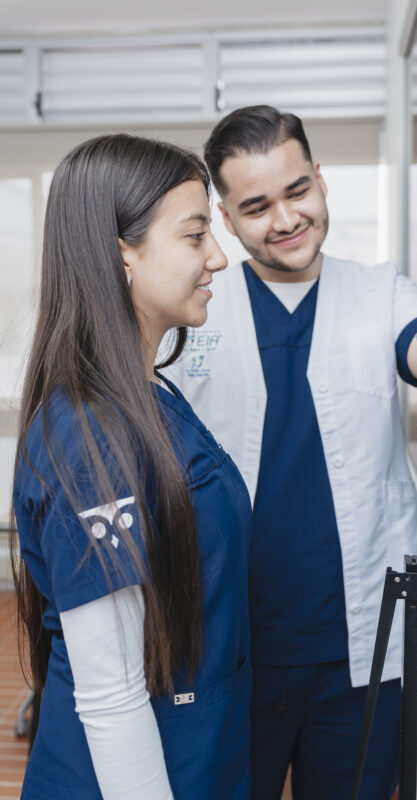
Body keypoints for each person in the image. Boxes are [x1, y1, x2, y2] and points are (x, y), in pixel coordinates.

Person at [162, 105, 417, 800]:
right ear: (226, 220)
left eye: (296, 191)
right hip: (233, 649)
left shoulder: (379, 293)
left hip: (362, 653)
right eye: (255, 206)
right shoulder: (195, 309)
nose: (285, 218)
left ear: (320, 180)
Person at [11, 134, 252, 800]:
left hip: (200, 750)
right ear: (123, 257)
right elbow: (112, 695)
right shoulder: (88, 437)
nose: (218, 258)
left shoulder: (150, 397)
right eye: (196, 235)